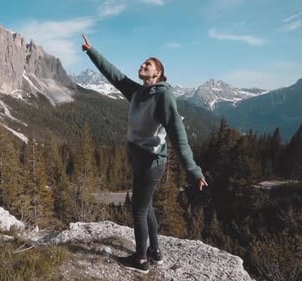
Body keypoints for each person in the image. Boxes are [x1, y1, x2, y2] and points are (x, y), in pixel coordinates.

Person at [81, 34, 208, 274]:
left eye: (147, 65)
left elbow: (179, 136)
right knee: (146, 206)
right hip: (139, 159)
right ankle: (156, 252)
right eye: (142, 64)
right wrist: (91, 51)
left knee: (138, 210)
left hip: (152, 163)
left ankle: (141, 260)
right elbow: (114, 74)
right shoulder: (139, 92)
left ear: (158, 73)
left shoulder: (163, 96)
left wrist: (193, 170)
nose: (142, 66)